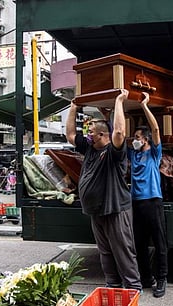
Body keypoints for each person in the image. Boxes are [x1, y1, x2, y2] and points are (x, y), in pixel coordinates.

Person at [66, 89, 142, 291]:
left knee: (123, 250)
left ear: (101, 135)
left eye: (91, 132)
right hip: (97, 210)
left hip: (115, 208)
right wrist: (74, 107)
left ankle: (133, 288)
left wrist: (119, 102)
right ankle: (112, 284)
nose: (88, 135)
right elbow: (71, 134)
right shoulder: (90, 148)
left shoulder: (113, 152)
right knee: (105, 251)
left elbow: (118, 132)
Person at [128, 92, 168, 297]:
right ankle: (146, 278)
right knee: (139, 244)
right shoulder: (133, 153)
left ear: (145, 140)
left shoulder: (154, 152)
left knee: (160, 243)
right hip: (136, 203)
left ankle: (161, 279)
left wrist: (145, 105)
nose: (133, 140)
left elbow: (155, 128)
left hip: (153, 201)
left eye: (136, 138)